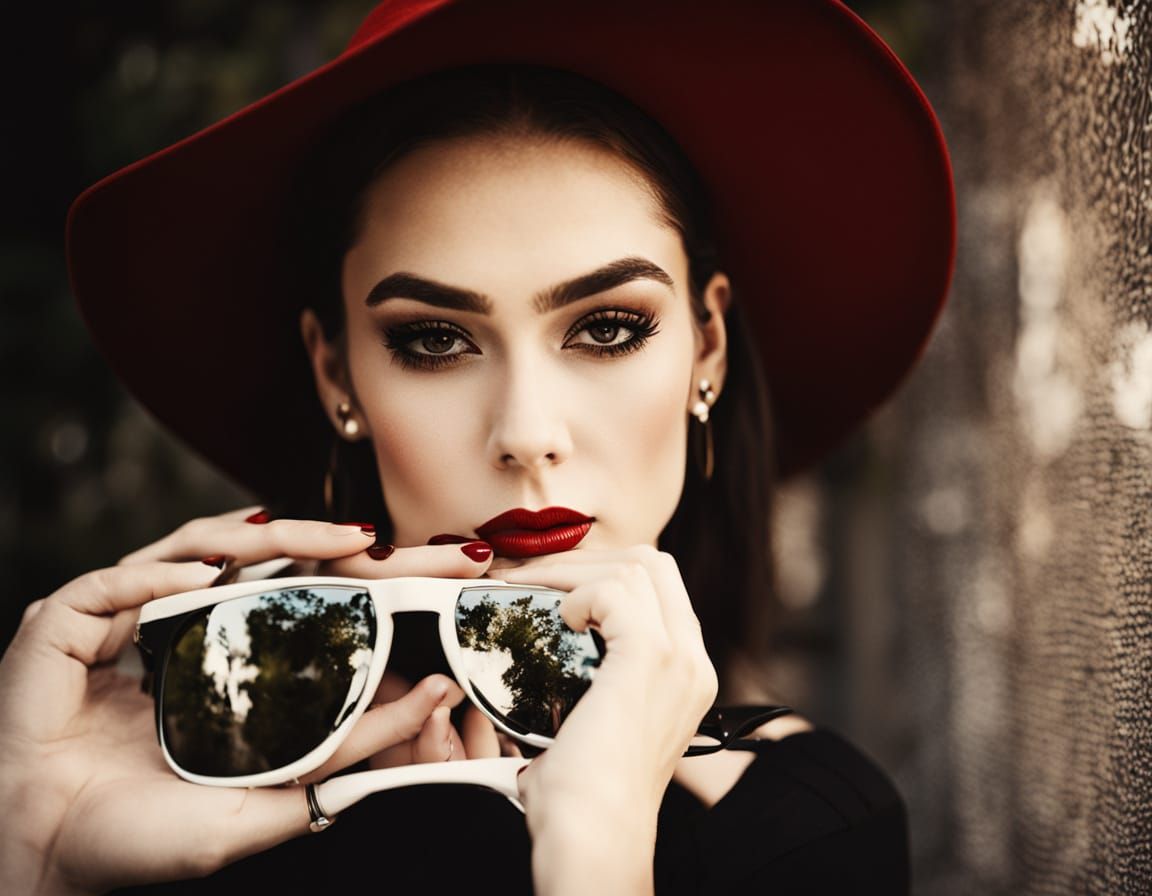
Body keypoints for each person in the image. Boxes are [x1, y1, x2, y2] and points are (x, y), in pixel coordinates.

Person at [0, 1, 955, 893]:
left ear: (705, 345)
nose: (528, 434)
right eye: (433, 340)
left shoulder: (813, 831)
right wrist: (32, 850)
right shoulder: (153, 799)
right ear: (337, 377)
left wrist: (596, 843)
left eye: (610, 327)